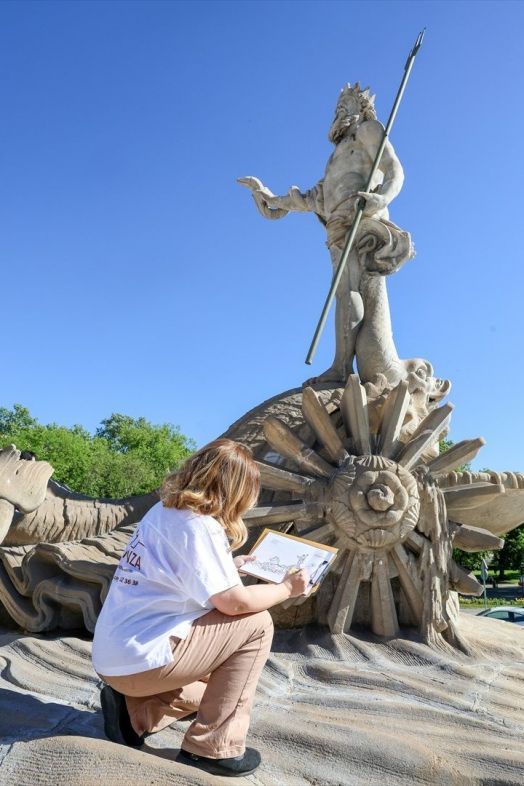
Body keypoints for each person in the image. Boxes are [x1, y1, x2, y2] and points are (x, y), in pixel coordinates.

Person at [91, 438, 309, 778]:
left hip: (114, 657)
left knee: (211, 694)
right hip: (139, 661)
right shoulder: (199, 526)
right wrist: (286, 588)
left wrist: (230, 566)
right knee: (257, 624)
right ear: (236, 490)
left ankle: (135, 712)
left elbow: (174, 575)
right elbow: (235, 603)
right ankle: (211, 749)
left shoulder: (164, 511)